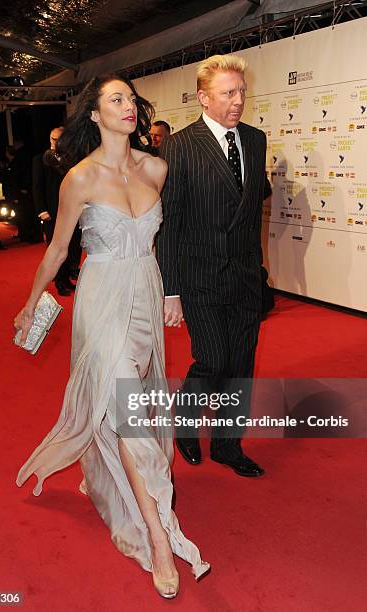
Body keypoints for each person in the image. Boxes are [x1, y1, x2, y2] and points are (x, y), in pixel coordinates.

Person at [14, 73, 209, 599]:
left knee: (135, 405)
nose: (128, 107)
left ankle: (102, 472)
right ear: (95, 116)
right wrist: (32, 300)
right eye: (115, 100)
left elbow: (165, 241)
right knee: (128, 413)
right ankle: (158, 540)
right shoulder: (79, 177)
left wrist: (174, 294)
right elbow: (58, 250)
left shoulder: (157, 167)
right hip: (101, 300)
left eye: (130, 99)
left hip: (145, 290)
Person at [156, 54, 266, 477]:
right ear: (204, 98)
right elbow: (171, 222)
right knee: (213, 359)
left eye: (241, 92)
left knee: (241, 364)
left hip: (244, 276)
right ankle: (184, 421)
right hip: (200, 276)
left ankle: (227, 445)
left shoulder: (255, 140)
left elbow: (252, 210)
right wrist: (171, 290)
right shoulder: (180, 145)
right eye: (228, 94)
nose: (238, 101)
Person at [32, 127, 81, 296]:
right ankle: (59, 281)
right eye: (53, 139)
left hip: (72, 209)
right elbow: (37, 187)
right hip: (51, 213)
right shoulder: (40, 160)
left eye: (59, 139)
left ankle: (67, 277)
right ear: (50, 139)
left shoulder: (72, 159)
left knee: (73, 245)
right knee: (56, 247)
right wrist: (42, 210)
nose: (56, 142)